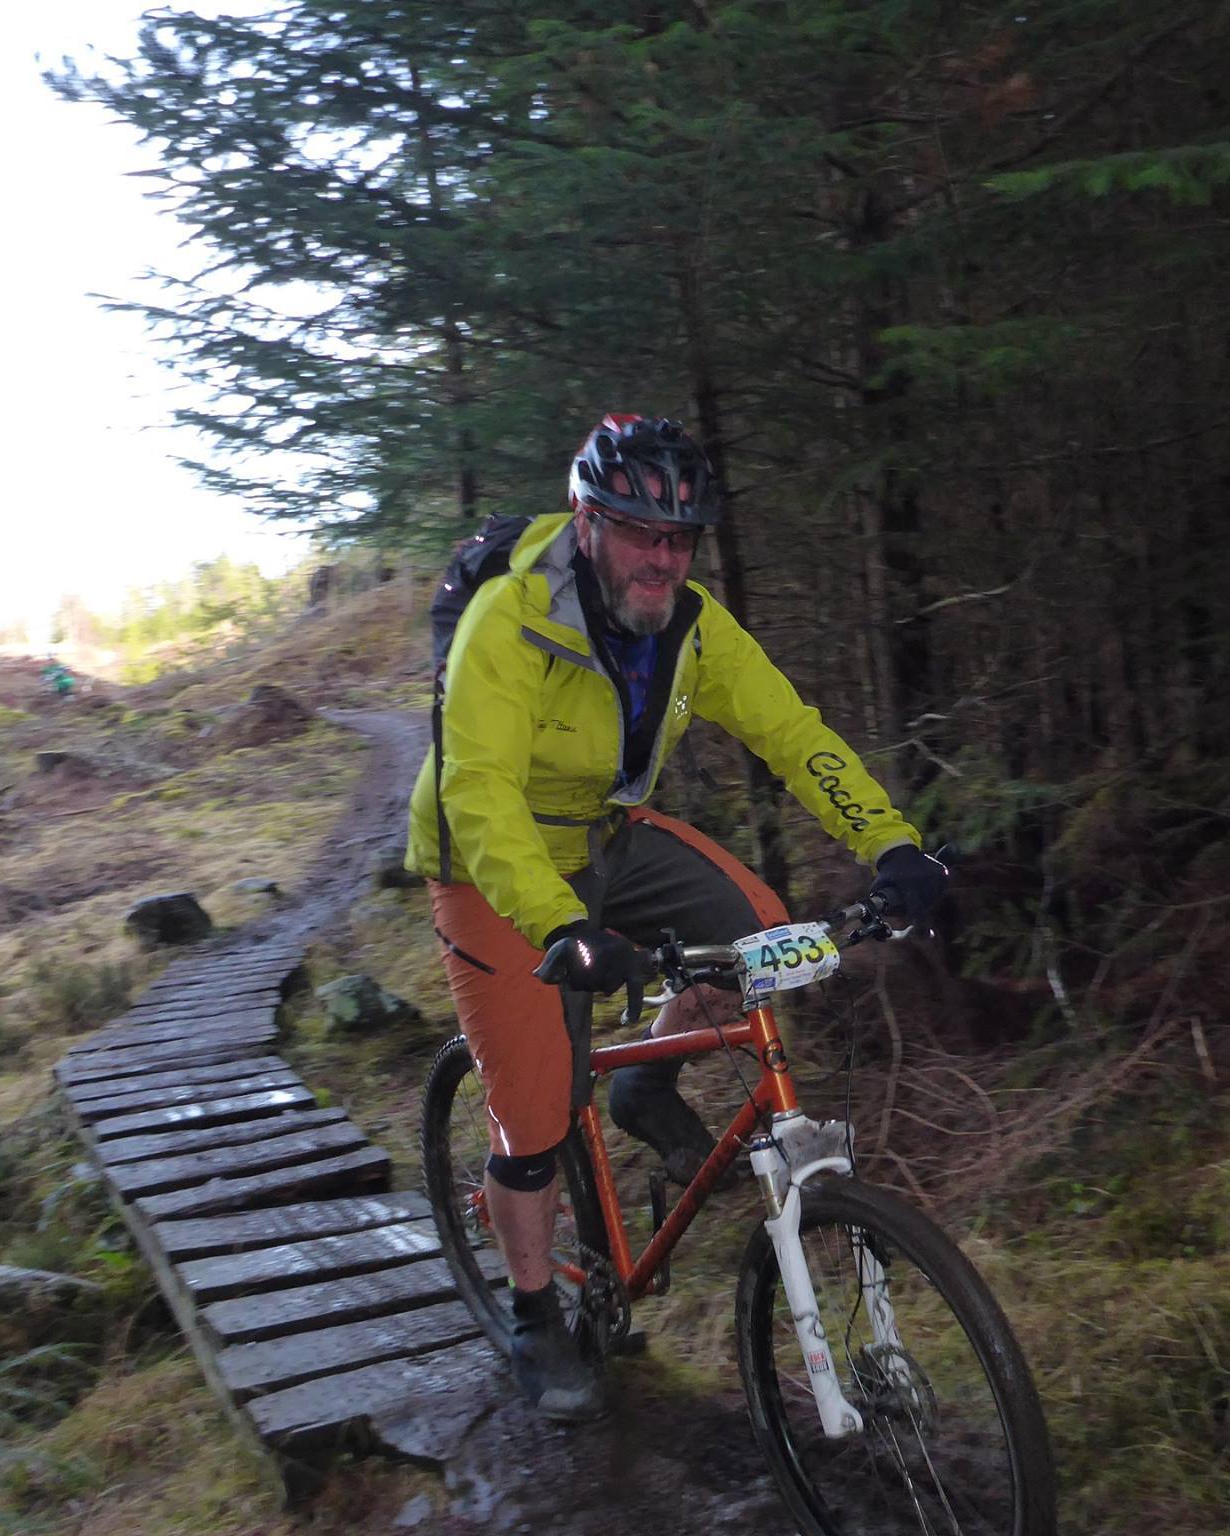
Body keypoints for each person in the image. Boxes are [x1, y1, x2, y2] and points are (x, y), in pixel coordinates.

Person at [403, 413, 947, 1422]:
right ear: (585, 521)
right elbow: (475, 792)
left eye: (680, 537)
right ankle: (531, 1314)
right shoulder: (509, 624)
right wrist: (560, 925)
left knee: (759, 935)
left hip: (604, 837)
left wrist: (891, 843)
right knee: (533, 1113)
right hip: (490, 867)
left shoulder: (692, 627)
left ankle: (646, 1084)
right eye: (638, 532)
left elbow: (792, 733)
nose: (662, 557)